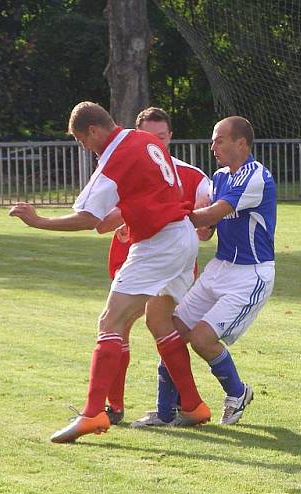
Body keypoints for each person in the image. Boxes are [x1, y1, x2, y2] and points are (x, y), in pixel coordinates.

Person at [9, 101, 211, 442]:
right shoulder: (141, 139)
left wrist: (38, 221)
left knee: (110, 322)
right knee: (159, 322)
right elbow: (154, 190)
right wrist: (127, 216)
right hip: (182, 236)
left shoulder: (114, 159)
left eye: (80, 140)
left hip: (158, 243)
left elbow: (88, 219)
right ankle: (192, 406)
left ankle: (93, 415)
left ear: (92, 131)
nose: (84, 148)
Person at [135, 116, 276, 426]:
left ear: (241, 143)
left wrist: (156, 218)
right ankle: (166, 411)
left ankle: (237, 393)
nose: (212, 146)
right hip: (219, 268)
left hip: (250, 275)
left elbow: (211, 214)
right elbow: (207, 228)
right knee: (172, 334)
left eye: (219, 140)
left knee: (201, 338)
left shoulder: (256, 177)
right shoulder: (220, 176)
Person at [94, 106, 212, 427]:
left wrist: (207, 222)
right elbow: (103, 220)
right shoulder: (128, 163)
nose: (156, 142)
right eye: (149, 136)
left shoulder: (190, 174)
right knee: (123, 328)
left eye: (161, 136)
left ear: (170, 137)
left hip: (170, 259)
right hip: (132, 254)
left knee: (157, 325)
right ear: (138, 135)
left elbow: (211, 204)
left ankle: (169, 408)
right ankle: (114, 407)